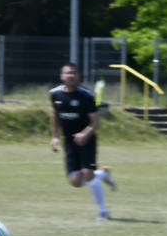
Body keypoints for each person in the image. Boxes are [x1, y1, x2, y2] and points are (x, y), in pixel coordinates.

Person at [50, 62, 117, 220]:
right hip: (69, 142)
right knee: (75, 181)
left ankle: (104, 212)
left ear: (78, 76)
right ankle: (102, 175)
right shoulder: (55, 94)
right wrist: (55, 136)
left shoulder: (86, 96)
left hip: (87, 140)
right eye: (68, 73)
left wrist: (85, 134)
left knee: (87, 173)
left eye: (74, 73)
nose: (71, 75)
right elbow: (54, 114)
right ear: (62, 76)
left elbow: (96, 122)